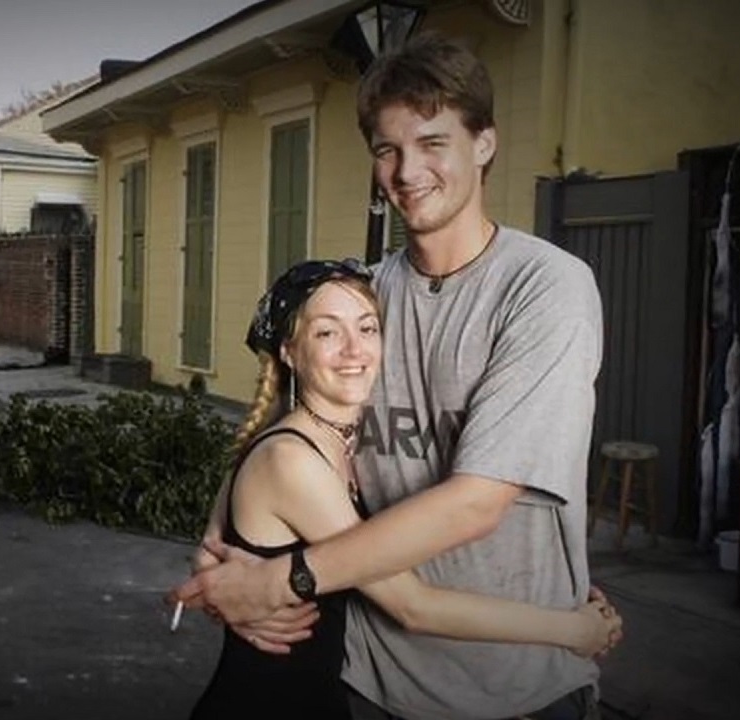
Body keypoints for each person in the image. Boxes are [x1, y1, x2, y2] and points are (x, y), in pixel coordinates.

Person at [173, 31, 613, 720]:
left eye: (433, 142)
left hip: (519, 686)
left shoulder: (545, 289)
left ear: (484, 145)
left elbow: (477, 502)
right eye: (388, 149)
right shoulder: (365, 302)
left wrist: (281, 580)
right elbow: (280, 432)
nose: (408, 171)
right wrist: (221, 551)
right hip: (370, 679)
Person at [186, 259, 620, 720]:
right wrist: (574, 630)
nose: (355, 350)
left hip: (319, 693)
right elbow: (413, 606)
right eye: (327, 333)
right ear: (291, 351)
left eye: (368, 328)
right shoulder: (293, 460)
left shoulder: (339, 442)